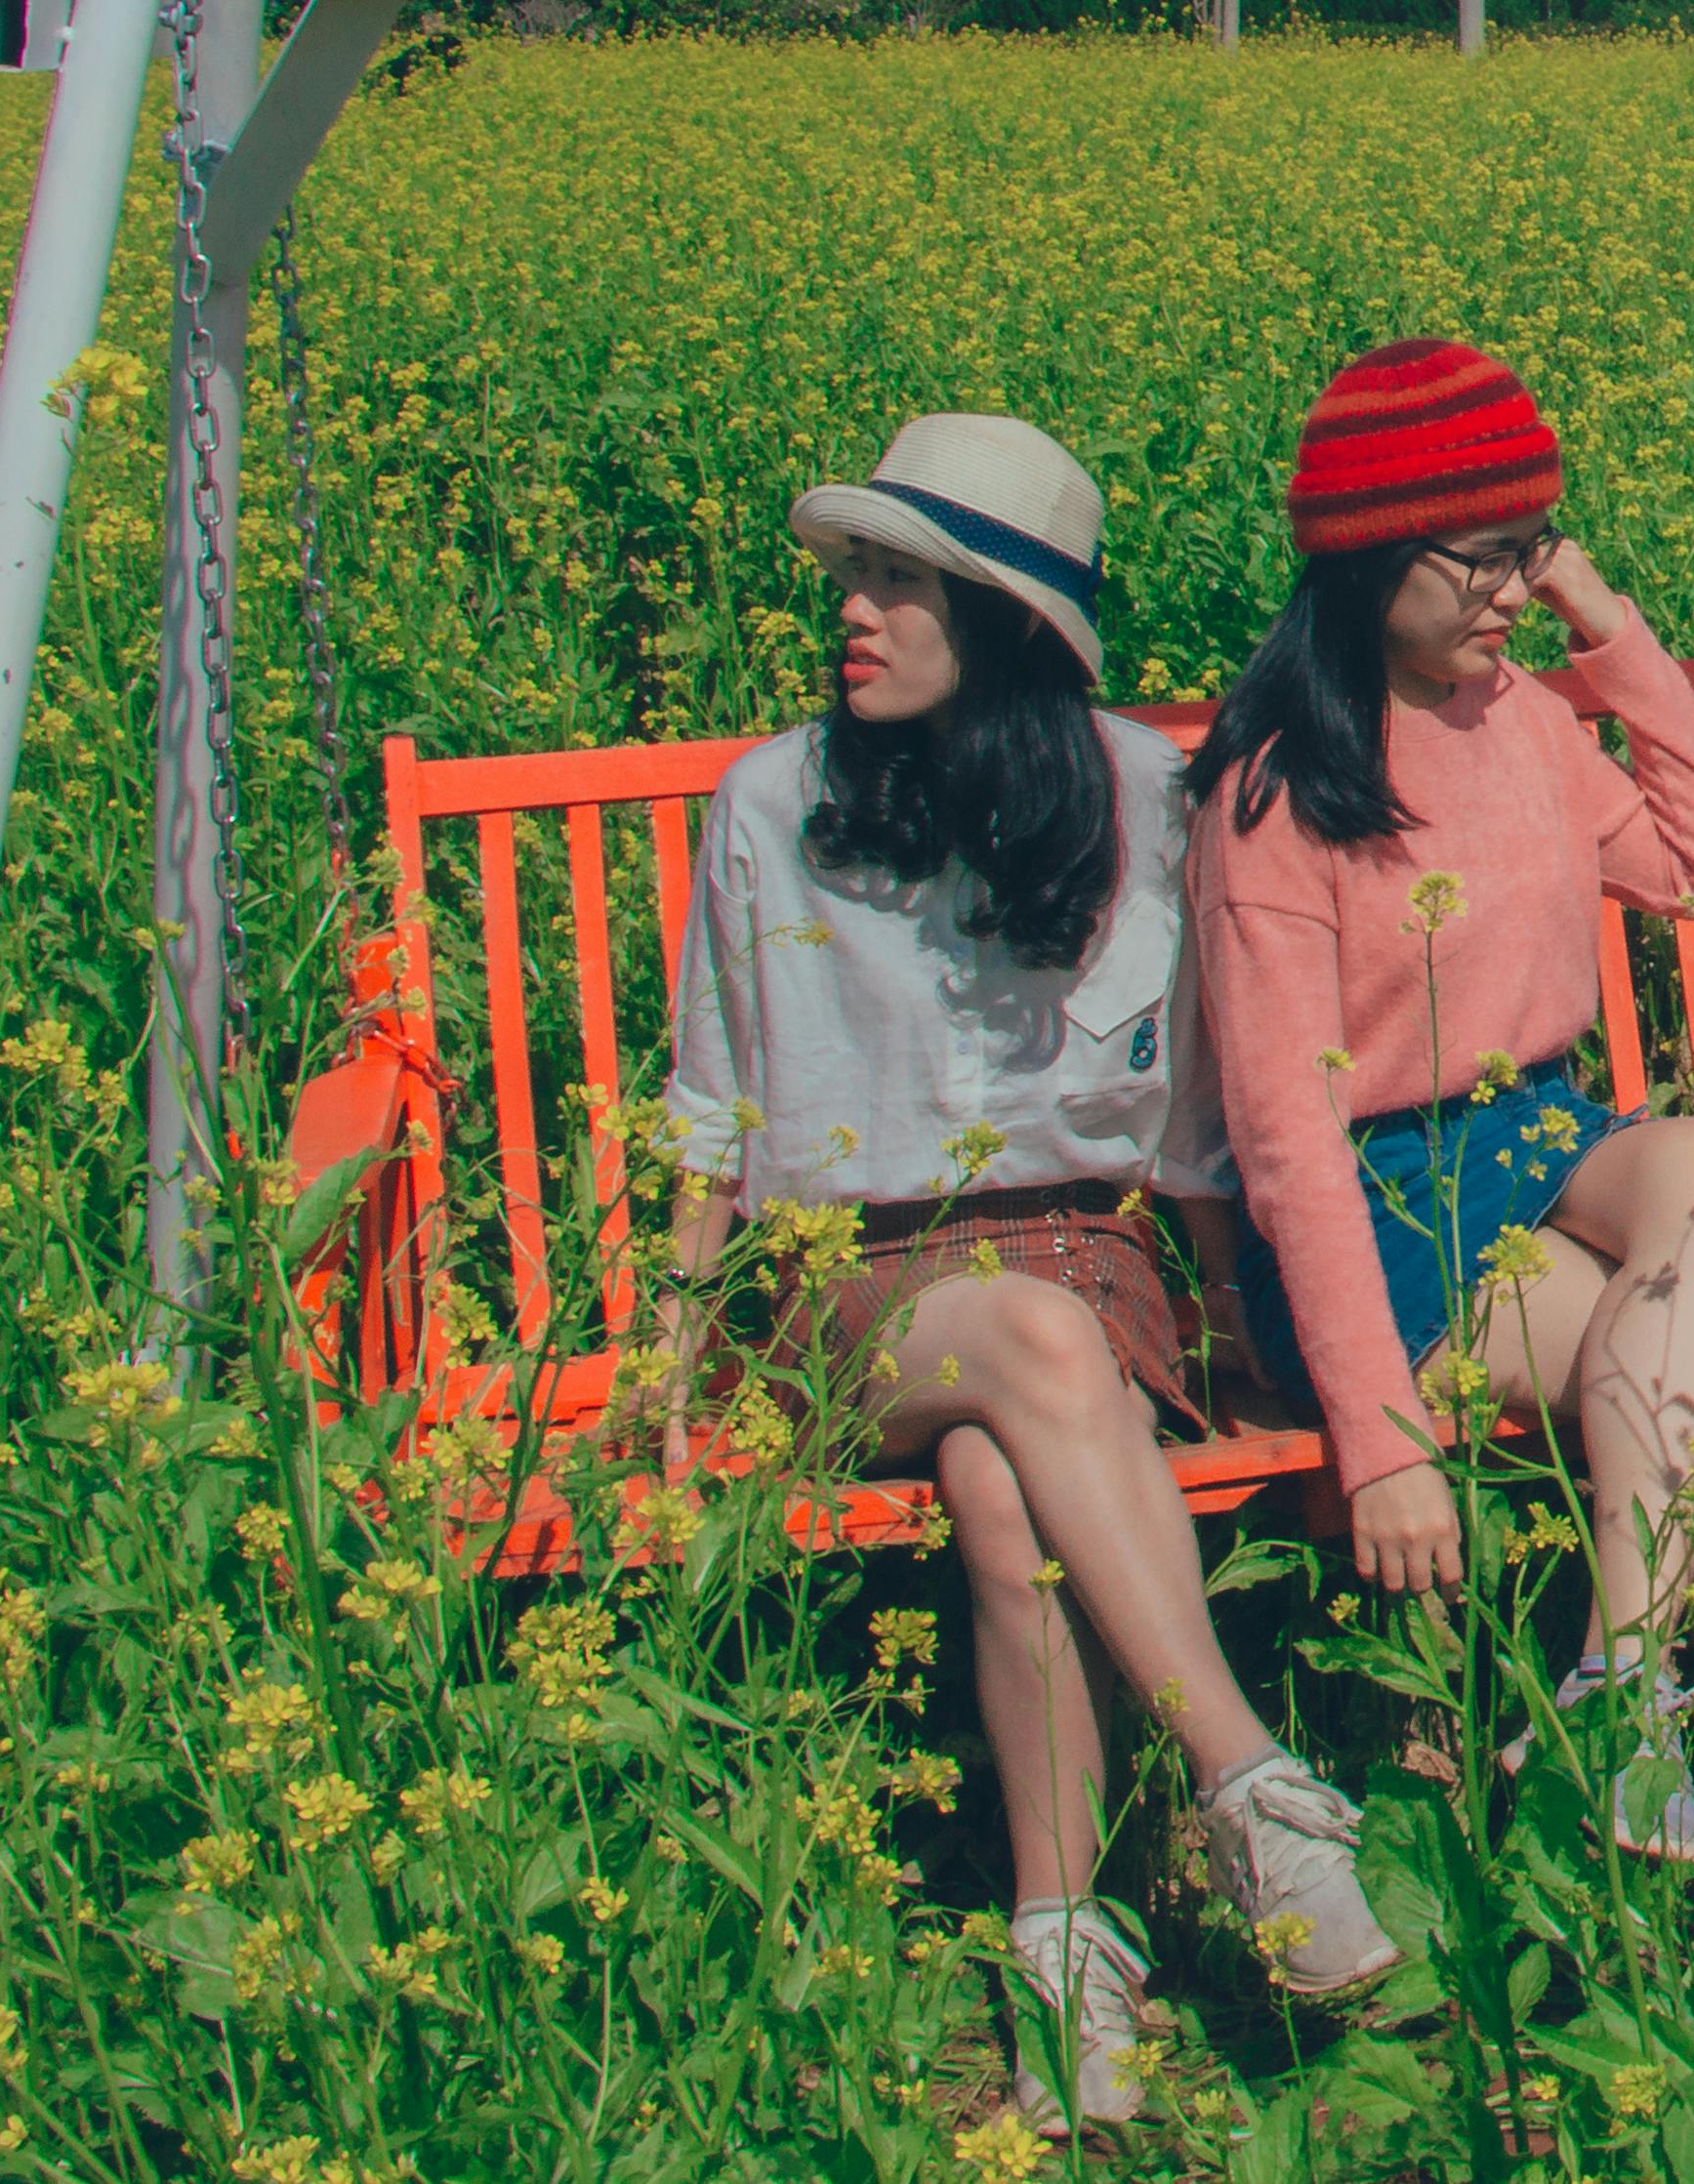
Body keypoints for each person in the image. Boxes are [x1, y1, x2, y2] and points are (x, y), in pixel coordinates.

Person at [1185, 336, 1694, 2033]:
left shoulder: (1516, 716)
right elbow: (1287, 1145)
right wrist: (1377, 1442)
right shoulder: (1274, 790)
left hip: (1531, 1151)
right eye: (1488, 557)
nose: (1515, 589)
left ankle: (1646, 1725)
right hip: (1384, 1234)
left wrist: (1609, 622)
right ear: (1368, 558)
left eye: (1536, 545)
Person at [657, 413, 1392, 2132]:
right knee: (1029, 1352)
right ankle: (1252, 1788)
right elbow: (715, 1099)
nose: (852, 616)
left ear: (1002, 623)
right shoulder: (772, 799)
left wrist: (1228, 1327)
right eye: (852, 580)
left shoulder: (1143, 794)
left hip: (1082, 1266)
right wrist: (675, 1352)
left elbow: (1192, 1110)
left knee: (1006, 1489)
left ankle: (1066, 1950)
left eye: (898, 586)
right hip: (857, 1292)